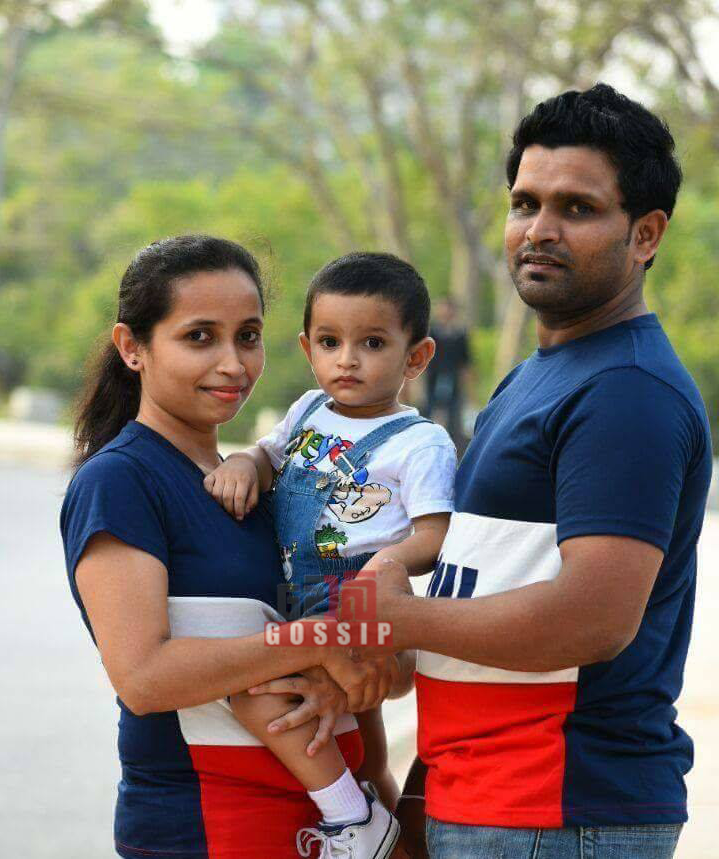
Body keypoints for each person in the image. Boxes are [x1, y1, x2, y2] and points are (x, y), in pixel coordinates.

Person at [362, 84, 713, 859]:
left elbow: (593, 618)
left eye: (577, 209)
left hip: (555, 808)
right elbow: (482, 585)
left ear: (646, 234)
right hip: (486, 797)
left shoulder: (627, 391)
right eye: (525, 204)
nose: (539, 230)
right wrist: (422, 791)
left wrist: (401, 617)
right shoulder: (537, 376)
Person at [60, 235, 401, 859]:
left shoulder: (264, 485)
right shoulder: (122, 482)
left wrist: (353, 686)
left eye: (248, 336)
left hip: (339, 830)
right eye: (200, 337)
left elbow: (377, 663)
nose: (234, 363)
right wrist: (318, 642)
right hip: (209, 830)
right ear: (132, 347)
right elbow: (144, 678)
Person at [204, 252, 457, 858]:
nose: (347, 359)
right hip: (298, 597)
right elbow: (268, 455)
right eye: (330, 342)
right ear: (307, 348)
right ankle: (389, 837)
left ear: (416, 357)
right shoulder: (308, 411)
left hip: (363, 606)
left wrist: (385, 568)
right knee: (363, 750)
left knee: (260, 694)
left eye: (372, 343)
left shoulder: (420, 443)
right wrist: (245, 463)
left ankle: (352, 818)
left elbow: (436, 534)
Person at [423, 298, 471, 450]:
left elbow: (465, 362)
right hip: (433, 379)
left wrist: (470, 390)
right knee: (432, 411)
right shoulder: (430, 333)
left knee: (453, 416)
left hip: (453, 379)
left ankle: (450, 447)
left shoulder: (460, 335)